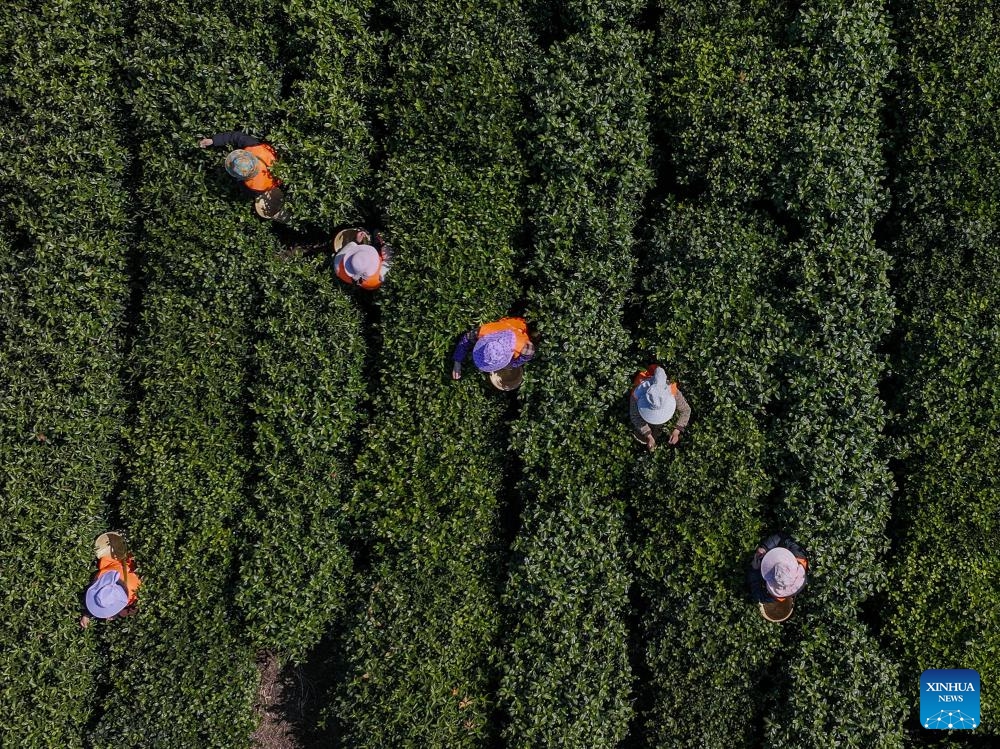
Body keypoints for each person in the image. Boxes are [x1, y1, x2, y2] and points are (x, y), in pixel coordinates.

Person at [629, 364, 691, 450]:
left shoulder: (673, 391)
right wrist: (649, 436)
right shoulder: (637, 393)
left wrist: (677, 431)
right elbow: (635, 416)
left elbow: (686, 410)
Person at [198, 131, 280, 195]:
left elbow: (247, 192)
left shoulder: (252, 186)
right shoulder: (254, 147)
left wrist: (213, 140)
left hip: (272, 186)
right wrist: (214, 140)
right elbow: (236, 136)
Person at [452, 317, 535, 380]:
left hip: (521, 324)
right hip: (508, 322)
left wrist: (511, 365)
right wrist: (457, 361)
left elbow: (527, 355)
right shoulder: (484, 332)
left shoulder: (523, 346)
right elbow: (466, 339)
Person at [79, 548, 141, 629]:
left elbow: (132, 609)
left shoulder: (134, 594)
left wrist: (116, 612)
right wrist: (86, 614)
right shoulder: (99, 576)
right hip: (121, 560)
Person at [747, 532, 808, 608]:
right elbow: (782, 537)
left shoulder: (773, 596)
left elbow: (758, 594)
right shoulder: (799, 556)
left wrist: (754, 570)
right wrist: (765, 547)